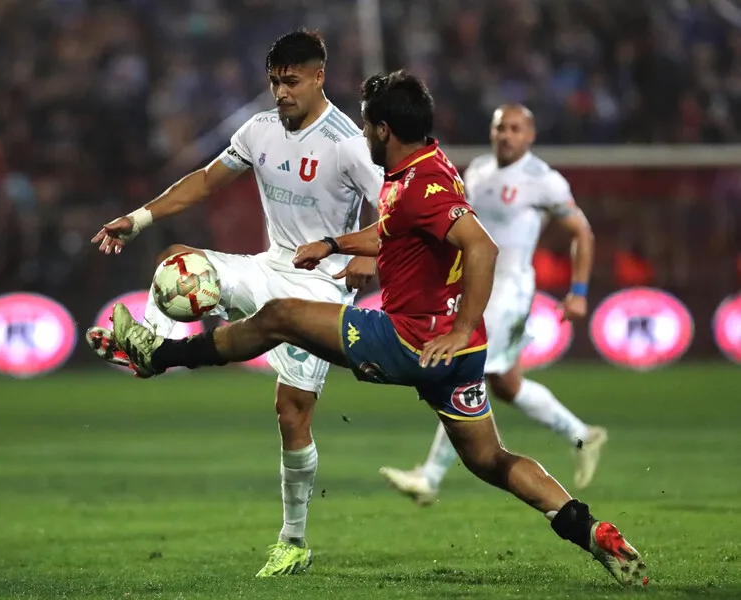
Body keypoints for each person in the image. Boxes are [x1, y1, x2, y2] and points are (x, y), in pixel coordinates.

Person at [106, 71, 648, 588]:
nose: (362, 133)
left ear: (383, 130)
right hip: (455, 354)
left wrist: (458, 328)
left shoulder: (421, 184)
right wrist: (336, 244)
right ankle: (590, 530)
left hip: (413, 341)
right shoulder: (423, 166)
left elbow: (482, 246)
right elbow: (395, 232)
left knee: (281, 317)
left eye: (367, 126)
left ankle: (161, 357)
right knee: (490, 459)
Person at [86, 30, 384, 577]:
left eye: (291, 81)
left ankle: (293, 539)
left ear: (319, 77)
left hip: (318, 288)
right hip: (269, 267)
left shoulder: (348, 140)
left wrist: (367, 254)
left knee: (291, 415)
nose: (281, 91)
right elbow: (203, 182)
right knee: (177, 261)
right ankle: (150, 346)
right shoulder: (261, 129)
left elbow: (393, 209)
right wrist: (138, 218)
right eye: (274, 81)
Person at [380, 104, 606, 504]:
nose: (506, 135)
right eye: (500, 128)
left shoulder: (543, 180)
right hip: (477, 287)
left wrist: (579, 292)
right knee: (506, 384)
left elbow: (581, 232)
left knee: (466, 370)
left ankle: (429, 477)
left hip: (511, 292)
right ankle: (583, 436)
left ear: (530, 135)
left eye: (515, 129)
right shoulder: (478, 170)